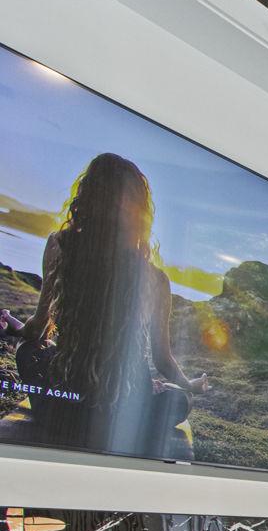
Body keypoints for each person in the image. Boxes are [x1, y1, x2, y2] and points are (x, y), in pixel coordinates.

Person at [15, 152, 204, 457]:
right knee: (179, 401)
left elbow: (37, 331)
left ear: (87, 197)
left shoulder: (59, 246)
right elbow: (163, 359)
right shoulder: (155, 279)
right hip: (122, 414)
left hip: (65, 403)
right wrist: (188, 385)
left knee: (26, 354)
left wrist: (16, 327)